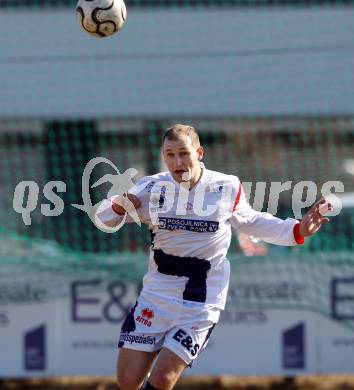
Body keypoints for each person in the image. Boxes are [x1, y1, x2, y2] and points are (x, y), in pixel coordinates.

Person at [95, 124, 331, 390]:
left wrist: (297, 229)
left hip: (200, 300)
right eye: (169, 154)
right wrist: (118, 205)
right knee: (127, 381)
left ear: (199, 153)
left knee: (162, 379)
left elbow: (250, 221)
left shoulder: (225, 186)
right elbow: (104, 218)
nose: (177, 161)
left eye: (183, 153)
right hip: (157, 294)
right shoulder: (151, 187)